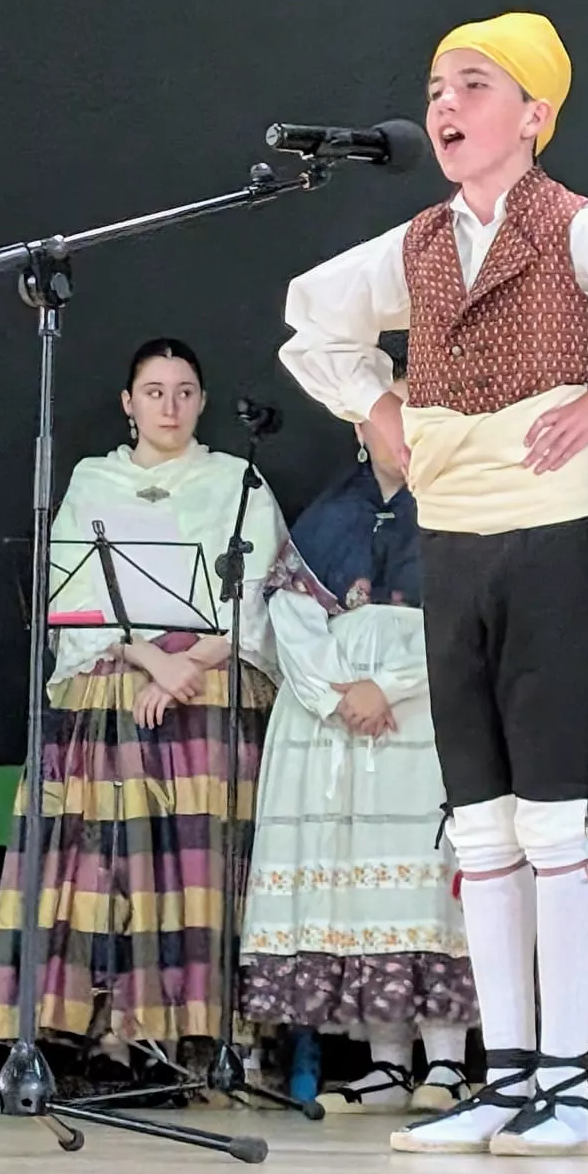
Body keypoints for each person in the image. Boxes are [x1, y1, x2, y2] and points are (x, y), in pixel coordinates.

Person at [280, 10, 588, 1156]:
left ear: (534, 115)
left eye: (472, 84)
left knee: (555, 818)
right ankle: (506, 1078)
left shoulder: (578, 230)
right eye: (435, 87)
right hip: (452, 538)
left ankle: (566, 1086)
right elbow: (311, 317)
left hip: (548, 536)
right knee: (481, 823)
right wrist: (376, 406)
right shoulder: (416, 245)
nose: (444, 106)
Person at [0, 339, 283, 1079]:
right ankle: (110, 1035)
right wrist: (149, 658)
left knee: (193, 867)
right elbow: (75, 591)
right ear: (128, 403)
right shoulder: (94, 480)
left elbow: (262, 594)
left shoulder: (237, 481)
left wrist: (185, 667)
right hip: (114, 686)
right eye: (153, 391)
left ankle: (189, 1036)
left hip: (207, 692)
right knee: (105, 862)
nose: (169, 407)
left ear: (202, 401)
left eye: (184, 391)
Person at [240, 360, 478, 1114]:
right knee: (356, 884)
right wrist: (334, 693)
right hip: (333, 728)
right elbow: (289, 615)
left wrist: (391, 688)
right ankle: (385, 1062)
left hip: (421, 716)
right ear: (360, 424)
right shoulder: (329, 513)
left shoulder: (460, 509)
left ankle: (446, 1062)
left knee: (425, 881)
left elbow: (468, 620)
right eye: (389, 412)